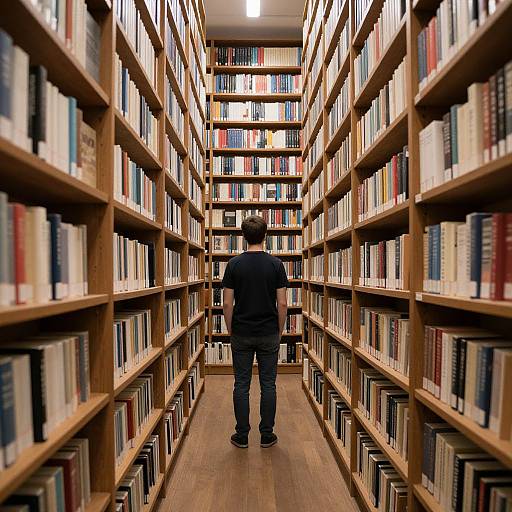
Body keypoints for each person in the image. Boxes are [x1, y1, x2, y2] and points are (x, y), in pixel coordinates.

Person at [222, 215, 288, 449]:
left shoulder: (233, 265)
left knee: (241, 384)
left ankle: (241, 435)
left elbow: (227, 304)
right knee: (268, 384)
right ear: (265, 235)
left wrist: (231, 330)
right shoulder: (276, 265)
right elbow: (282, 304)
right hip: (269, 331)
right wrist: (279, 330)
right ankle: (266, 434)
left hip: (241, 331)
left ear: (243, 237)